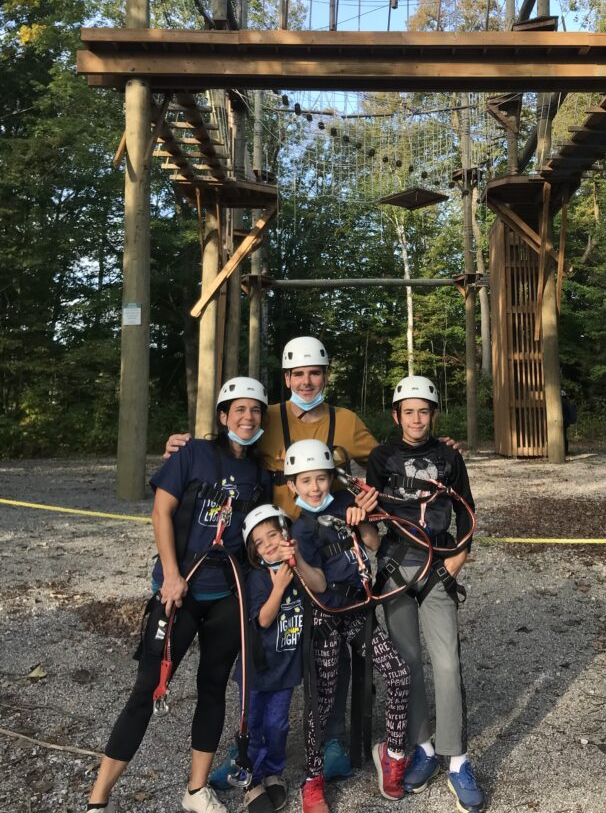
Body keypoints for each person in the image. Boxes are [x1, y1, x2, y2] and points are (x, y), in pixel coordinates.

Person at [170, 336, 379, 783]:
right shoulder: (264, 416)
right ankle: (246, 747)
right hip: (270, 552)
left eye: (315, 373)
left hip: (322, 553)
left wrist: (438, 451)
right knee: (260, 648)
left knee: (329, 647)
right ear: (286, 378)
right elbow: (231, 444)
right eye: (297, 374)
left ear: (326, 375)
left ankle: (332, 737)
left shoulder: (347, 422)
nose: (306, 381)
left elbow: (381, 463)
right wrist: (186, 450)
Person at [87, 377, 271, 813]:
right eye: (238, 410)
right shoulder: (192, 454)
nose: (248, 418)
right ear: (223, 416)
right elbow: (161, 511)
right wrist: (171, 575)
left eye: (256, 410)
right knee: (148, 690)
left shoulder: (259, 473)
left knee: (212, 689)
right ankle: (98, 799)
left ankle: (195, 789)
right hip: (181, 588)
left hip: (228, 594)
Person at [366, 375, 484, 813]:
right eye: (408, 412)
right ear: (396, 416)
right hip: (396, 566)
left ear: (434, 415)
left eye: (424, 411)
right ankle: (424, 748)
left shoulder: (449, 456)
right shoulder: (381, 458)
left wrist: (460, 557)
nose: (417, 419)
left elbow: (467, 508)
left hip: (439, 566)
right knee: (408, 661)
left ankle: (457, 760)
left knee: (448, 663)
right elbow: (371, 513)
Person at [282, 439, 411, 813]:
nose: (315, 488)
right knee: (320, 698)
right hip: (325, 616)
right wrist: (296, 564)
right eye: (305, 481)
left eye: (320, 479)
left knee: (398, 674)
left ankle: (393, 754)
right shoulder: (299, 529)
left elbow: (370, 544)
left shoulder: (342, 504)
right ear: (293, 485)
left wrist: (362, 520)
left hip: (357, 611)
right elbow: (318, 585)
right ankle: (313, 778)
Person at [239, 504, 304, 813]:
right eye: (259, 542)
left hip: (286, 668)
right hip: (256, 669)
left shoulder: (299, 569)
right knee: (251, 724)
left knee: (277, 725)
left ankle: (273, 771)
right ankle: (250, 777)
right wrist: (278, 588)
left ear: (286, 535)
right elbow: (263, 620)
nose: (268, 545)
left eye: (273, 535)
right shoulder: (258, 578)